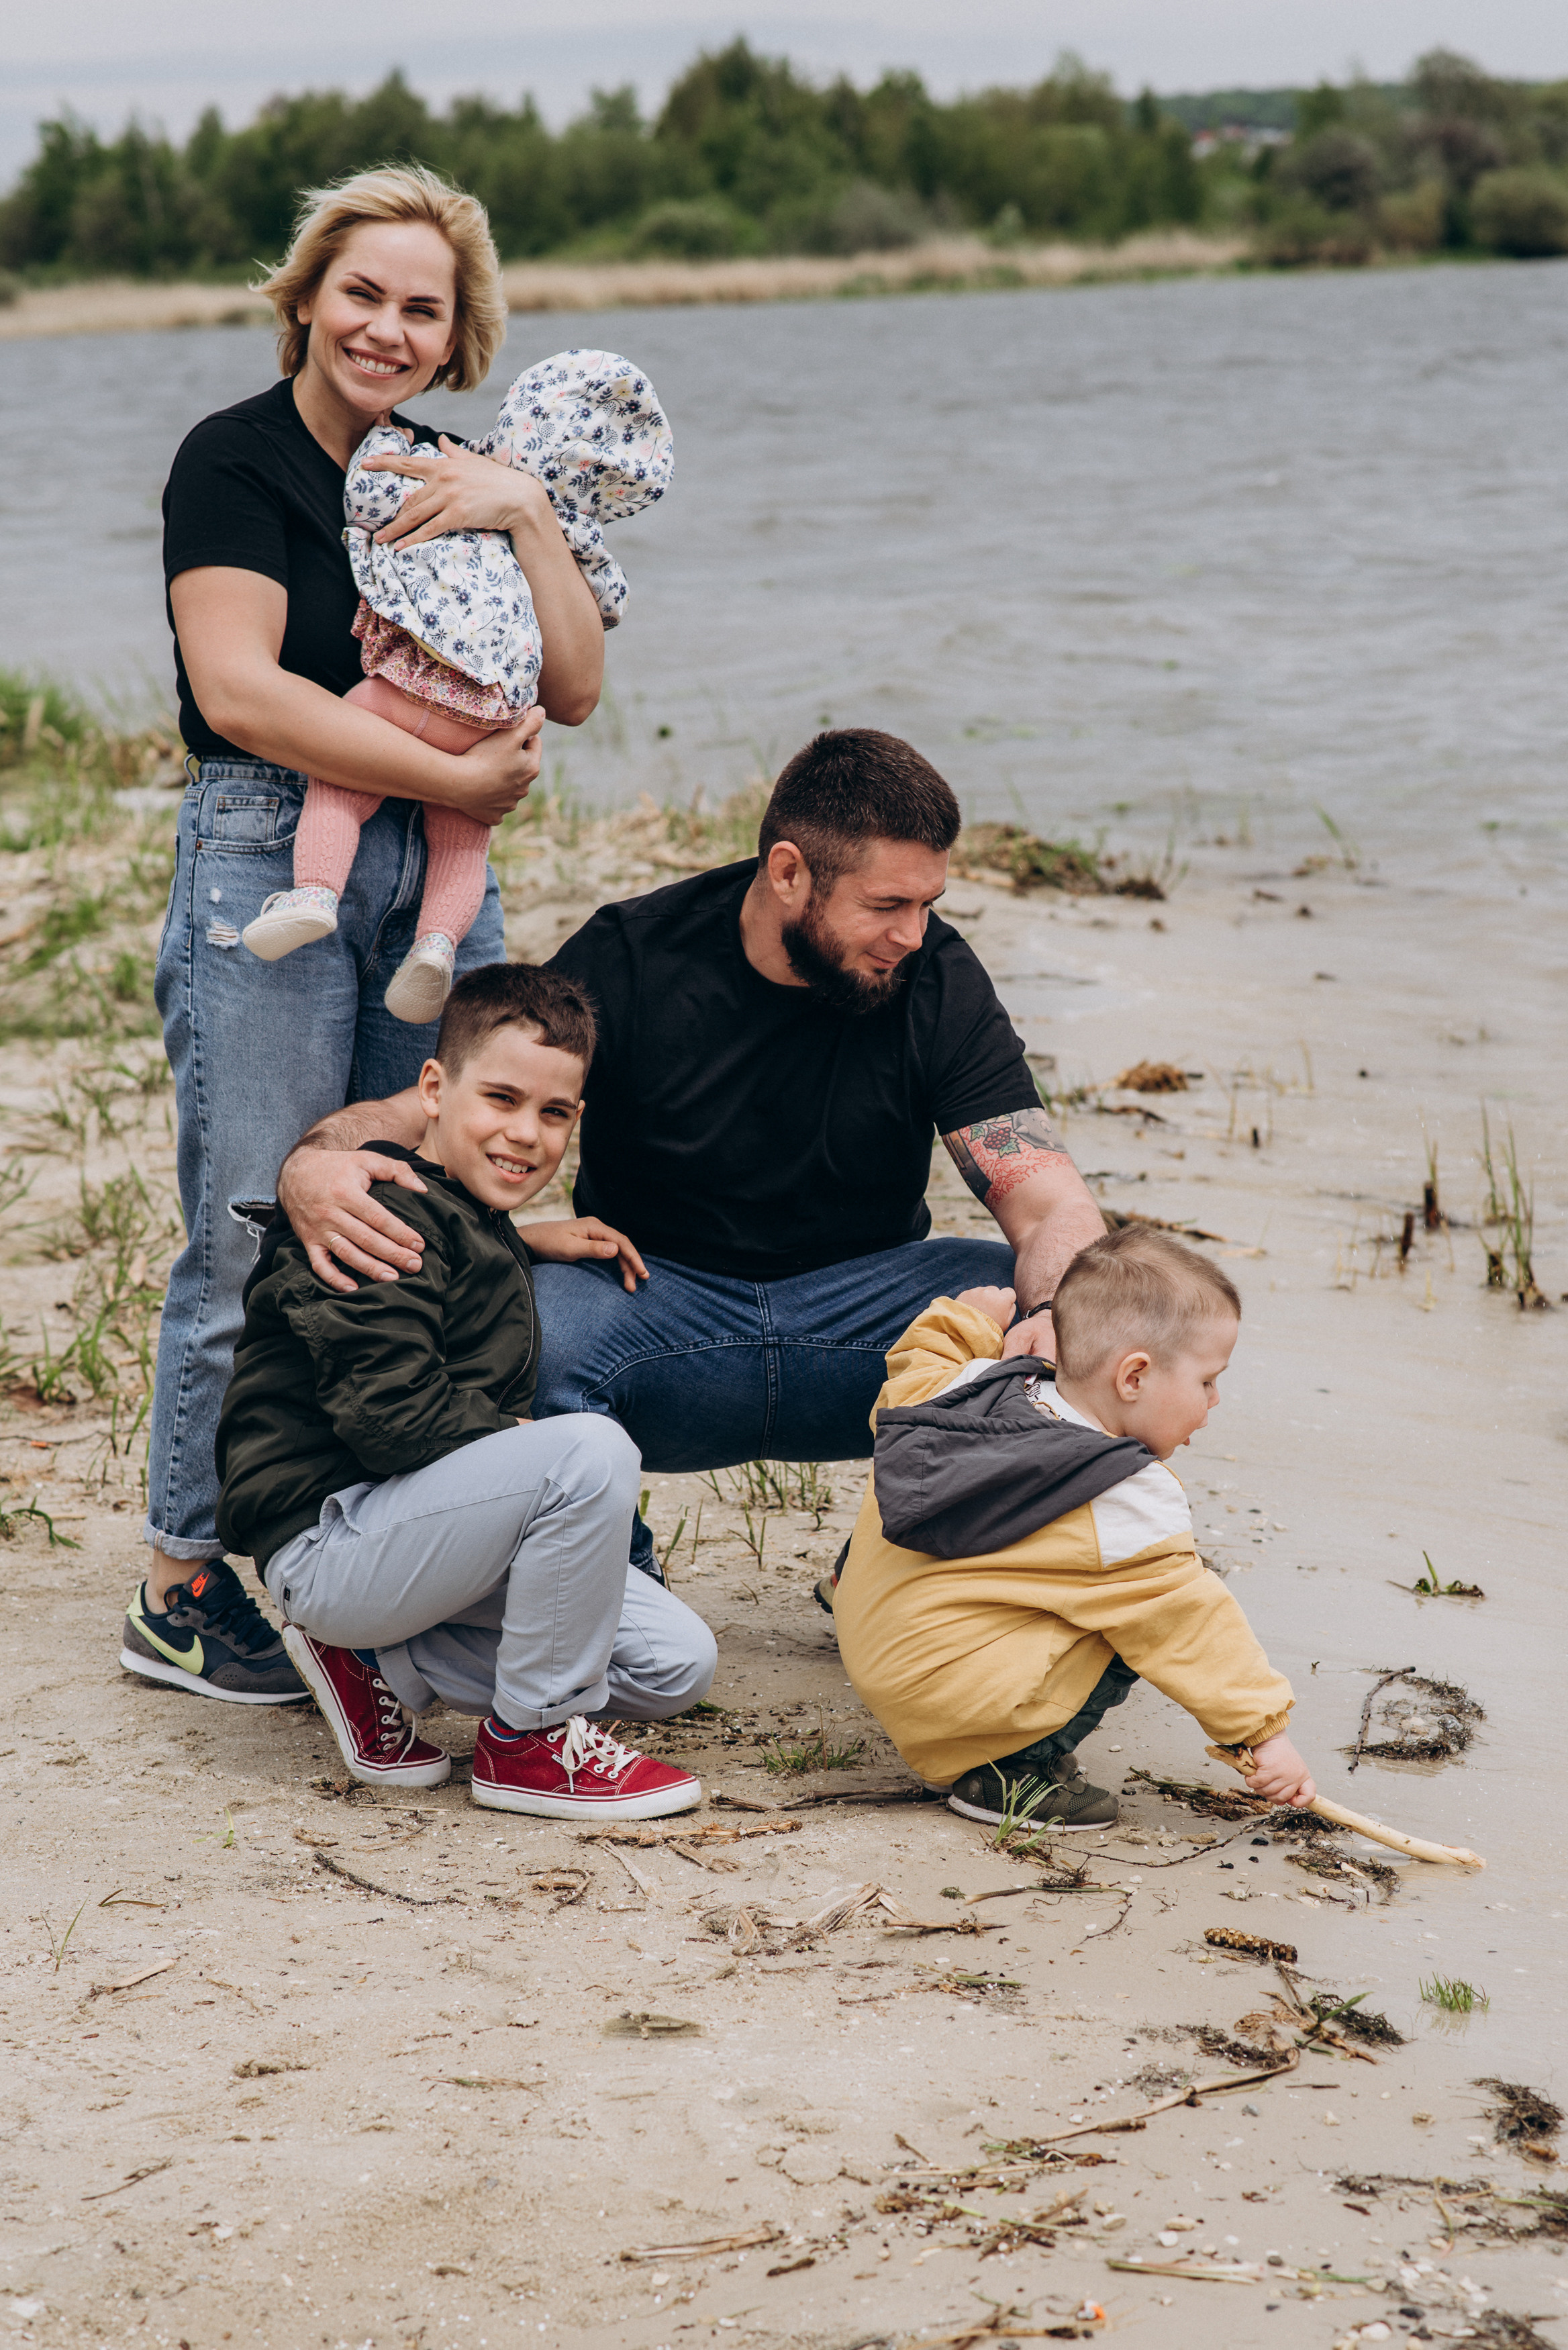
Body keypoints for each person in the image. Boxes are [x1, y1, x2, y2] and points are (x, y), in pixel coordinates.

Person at [128, 162, 609, 1704]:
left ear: (458, 330)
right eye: (361, 294)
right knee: (253, 1222)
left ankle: (388, 1539)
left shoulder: (452, 471)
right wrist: (457, 773)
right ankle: (183, 1581)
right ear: (304, 298)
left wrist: (527, 509)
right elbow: (240, 694)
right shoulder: (235, 462)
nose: (386, 328)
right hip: (274, 851)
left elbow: (580, 681)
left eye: (422, 306)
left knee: (437, 1197)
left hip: (436, 872)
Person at [272, 729, 1110, 1572]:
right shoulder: (634, 955)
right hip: (654, 1306)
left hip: (864, 1325)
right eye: (887, 906)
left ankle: (896, 1572)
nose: (913, 934)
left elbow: (1048, 1204)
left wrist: (1045, 1318)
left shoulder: (936, 978)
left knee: (1084, 1305)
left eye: (927, 904)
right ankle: (611, 1580)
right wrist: (318, 1158)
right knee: (514, 1309)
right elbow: (446, 1100)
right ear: (788, 872)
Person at [207, 961, 714, 1817]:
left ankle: (372, 1660)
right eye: (503, 1099)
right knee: (587, 1452)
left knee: (674, 1661)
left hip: (411, 1535)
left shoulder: (467, 1216)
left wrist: (524, 1243)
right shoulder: (377, 1212)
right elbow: (396, 1422)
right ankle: (530, 1743)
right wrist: (533, 1459)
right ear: (434, 1088)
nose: (526, 1133)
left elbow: (457, 1266)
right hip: (330, 1538)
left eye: (554, 1113)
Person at [830, 1225, 1316, 1830]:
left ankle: (841, 1584)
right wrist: (1265, 1736)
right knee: (1138, 1611)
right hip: (949, 1712)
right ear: (1133, 1377)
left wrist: (965, 1322)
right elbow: (1189, 1626)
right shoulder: (1122, 1494)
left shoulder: (975, 1387)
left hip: (878, 1640)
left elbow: (914, 1369)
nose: (1214, 1401)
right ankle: (1012, 1772)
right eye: (1208, 1380)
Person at [242, 346, 673, 1025]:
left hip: (404, 693)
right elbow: (605, 602)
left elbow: (376, 492)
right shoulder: (576, 537)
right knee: (464, 839)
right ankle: (437, 946)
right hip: (485, 719)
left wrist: (387, 461)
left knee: (337, 786)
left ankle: (314, 892)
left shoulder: (447, 469)